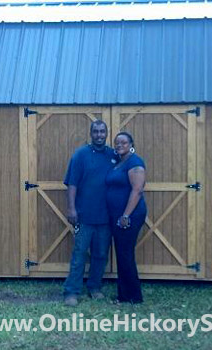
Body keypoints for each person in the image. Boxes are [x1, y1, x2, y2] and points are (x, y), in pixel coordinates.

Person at [63, 120, 116, 307]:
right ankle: (71, 292)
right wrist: (71, 209)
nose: (99, 135)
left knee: (101, 254)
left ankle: (94, 287)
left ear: (107, 133)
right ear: (91, 133)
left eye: (102, 131)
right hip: (84, 216)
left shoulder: (113, 155)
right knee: (79, 255)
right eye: (96, 131)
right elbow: (72, 184)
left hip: (106, 217)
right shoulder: (80, 155)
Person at [106, 132, 147, 304]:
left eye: (123, 142)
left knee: (125, 254)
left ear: (131, 143)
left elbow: (137, 190)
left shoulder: (134, 162)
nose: (119, 145)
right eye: (116, 142)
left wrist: (125, 215)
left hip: (129, 216)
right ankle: (126, 295)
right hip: (118, 215)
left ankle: (132, 297)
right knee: (123, 254)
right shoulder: (119, 162)